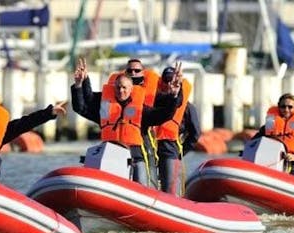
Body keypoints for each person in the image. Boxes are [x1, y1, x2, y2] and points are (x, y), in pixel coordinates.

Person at [71, 58, 180, 186]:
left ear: (131, 89)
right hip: (110, 158)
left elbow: (164, 115)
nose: (121, 91)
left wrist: (173, 96)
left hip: (135, 158)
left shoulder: (141, 110)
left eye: (124, 88)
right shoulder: (106, 109)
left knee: (144, 181)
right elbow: (82, 106)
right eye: (118, 87)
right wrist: (79, 84)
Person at [107, 58, 162, 189]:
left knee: (147, 175)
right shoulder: (116, 93)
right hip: (119, 146)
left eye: (137, 70)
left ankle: (153, 193)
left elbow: (164, 112)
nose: (133, 73)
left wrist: (174, 95)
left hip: (143, 142)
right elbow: (88, 105)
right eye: (130, 70)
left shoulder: (154, 93)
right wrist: (81, 85)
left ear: (143, 72)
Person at [154, 64, 201, 196]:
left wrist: (181, 152)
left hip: (170, 149)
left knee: (170, 191)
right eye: (166, 81)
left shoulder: (187, 107)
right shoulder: (153, 100)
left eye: (172, 80)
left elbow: (195, 133)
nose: (169, 84)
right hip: (149, 149)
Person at [253, 93, 294, 178]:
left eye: (290, 107)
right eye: (283, 106)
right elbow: (255, 140)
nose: (286, 109)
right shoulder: (269, 125)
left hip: (291, 163)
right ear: (278, 106)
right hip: (268, 160)